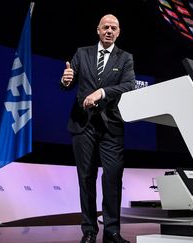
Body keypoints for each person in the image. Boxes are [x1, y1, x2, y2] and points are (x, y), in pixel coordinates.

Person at [60, 14, 135, 243]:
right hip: (83, 125)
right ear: (98, 30)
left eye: (113, 27)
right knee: (86, 178)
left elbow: (129, 85)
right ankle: (89, 231)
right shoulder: (82, 53)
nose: (109, 31)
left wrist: (101, 93)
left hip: (111, 127)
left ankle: (112, 231)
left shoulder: (125, 58)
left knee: (112, 177)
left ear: (119, 32)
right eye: (105, 27)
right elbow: (68, 82)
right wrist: (66, 79)